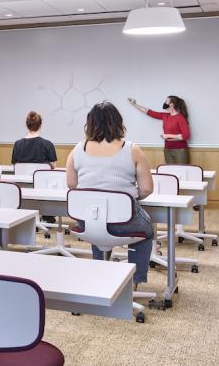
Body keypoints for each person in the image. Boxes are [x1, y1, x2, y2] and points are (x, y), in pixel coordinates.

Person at [66, 101, 155, 287]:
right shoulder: (132, 149)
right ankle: (134, 281)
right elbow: (147, 189)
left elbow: (72, 186)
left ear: (90, 123)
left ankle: (100, 272)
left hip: (88, 223)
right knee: (146, 231)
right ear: (118, 122)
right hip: (124, 225)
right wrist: (124, 200)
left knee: (96, 217)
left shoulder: (76, 150)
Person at [128, 95, 191, 164]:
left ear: (172, 104)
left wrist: (168, 136)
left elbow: (186, 136)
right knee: (171, 173)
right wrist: (134, 104)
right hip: (167, 149)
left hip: (180, 150)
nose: (164, 103)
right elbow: (149, 112)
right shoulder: (165, 116)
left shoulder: (180, 117)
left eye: (166, 101)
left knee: (181, 172)